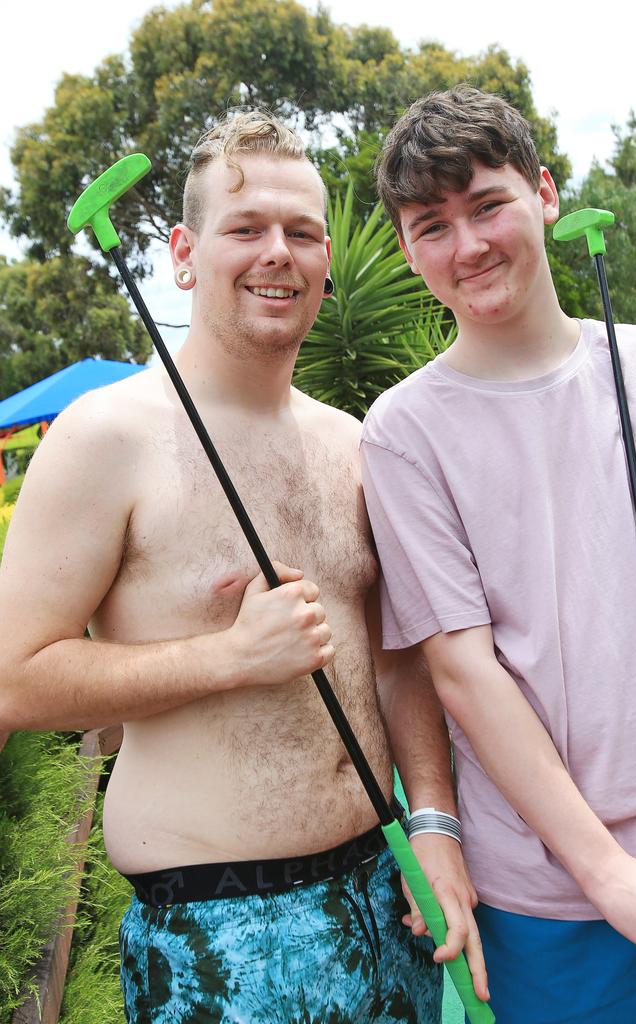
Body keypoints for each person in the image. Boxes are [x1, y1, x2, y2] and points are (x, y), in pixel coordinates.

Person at [0, 111, 487, 1022]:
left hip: (391, 897)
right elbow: (13, 680)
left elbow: (396, 657)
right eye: (246, 229)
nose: (278, 253)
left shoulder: (351, 444)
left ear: (329, 258)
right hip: (214, 933)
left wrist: (433, 823)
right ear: (184, 252)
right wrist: (226, 658)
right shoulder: (106, 438)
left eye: (302, 233)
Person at [360, 85, 636, 1023]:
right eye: (431, 225)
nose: (467, 245)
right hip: (550, 900)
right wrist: (607, 876)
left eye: (488, 204)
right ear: (407, 248)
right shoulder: (402, 434)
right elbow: (462, 672)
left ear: (543, 193)